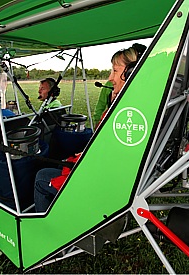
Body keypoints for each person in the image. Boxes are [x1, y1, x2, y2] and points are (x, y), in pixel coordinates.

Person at [34, 44, 146, 212]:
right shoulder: (135, 105)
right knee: (61, 164)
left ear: (130, 73)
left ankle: (48, 227)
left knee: (41, 177)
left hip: (103, 182)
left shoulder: (125, 113)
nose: (110, 77)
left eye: (115, 71)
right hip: (111, 173)